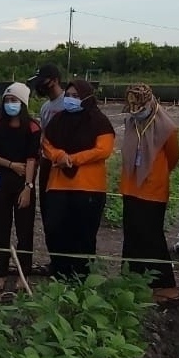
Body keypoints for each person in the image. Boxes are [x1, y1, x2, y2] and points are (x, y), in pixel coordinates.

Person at [41, 80, 115, 279]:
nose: (70, 100)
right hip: (58, 185)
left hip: (89, 187)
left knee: (83, 233)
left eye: (76, 96)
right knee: (55, 229)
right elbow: (46, 143)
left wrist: (72, 159)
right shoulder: (58, 120)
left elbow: (104, 149)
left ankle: (81, 276)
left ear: (86, 98)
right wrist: (59, 156)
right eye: (68, 95)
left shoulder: (99, 121)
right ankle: (59, 270)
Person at [119, 84, 179, 302]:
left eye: (139, 104)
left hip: (153, 190)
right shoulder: (131, 122)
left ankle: (165, 286)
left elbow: (173, 157)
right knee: (132, 236)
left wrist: (156, 173)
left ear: (149, 102)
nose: (136, 109)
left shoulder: (166, 127)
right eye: (132, 104)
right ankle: (134, 281)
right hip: (130, 187)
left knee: (151, 238)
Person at [0, 82, 40, 291]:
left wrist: (28, 187)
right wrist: (10, 164)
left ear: (23, 103)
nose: (10, 104)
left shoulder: (33, 128)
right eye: (7, 100)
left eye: (14, 100)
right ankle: (1, 272)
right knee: (0, 227)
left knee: (24, 230)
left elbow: (32, 159)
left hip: (23, 184)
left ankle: (23, 272)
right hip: (0, 180)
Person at [30, 64, 64, 229]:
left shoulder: (68, 102)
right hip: (47, 160)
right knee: (46, 203)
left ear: (55, 81)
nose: (40, 85)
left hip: (64, 161)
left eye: (44, 81)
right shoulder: (45, 108)